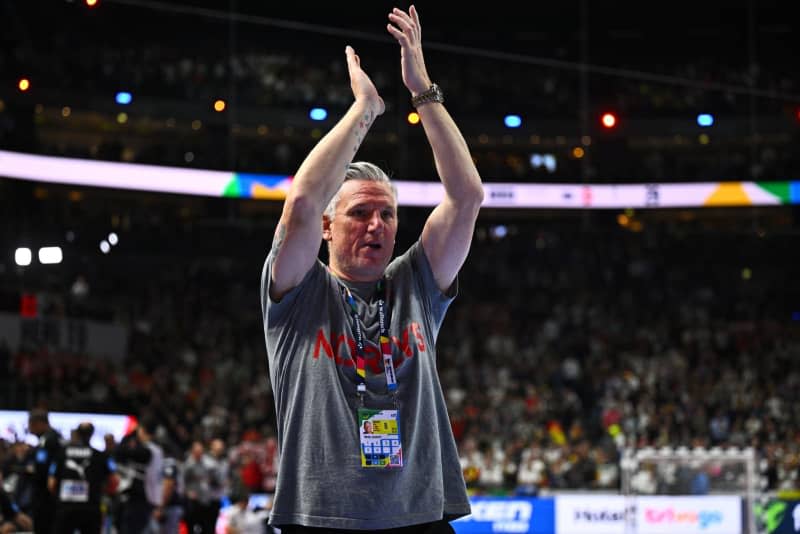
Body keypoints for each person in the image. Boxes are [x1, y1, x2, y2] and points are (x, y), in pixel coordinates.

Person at [260, 5, 483, 532]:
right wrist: (365, 110)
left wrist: (423, 89)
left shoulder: (416, 285)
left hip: (421, 517)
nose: (377, 224)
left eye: (387, 214)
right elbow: (300, 205)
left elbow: (467, 195)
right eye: (359, 213)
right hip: (320, 519)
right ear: (329, 228)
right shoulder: (297, 291)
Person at [48, 422, 116, 534]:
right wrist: (101, 492)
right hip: (91, 509)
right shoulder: (100, 456)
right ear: (92, 434)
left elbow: (51, 484)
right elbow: (114, 482)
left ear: (77, 434)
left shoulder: (61, 454)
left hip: (66, 509)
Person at [113, 415, 164, 534]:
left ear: (142, 430)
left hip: (141, 499)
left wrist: (131, 434)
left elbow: (120, 453)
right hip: (148, 499)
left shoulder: (148, 451)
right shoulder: (157, 450)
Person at [26, 408, 62, 533]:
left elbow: (40, 469)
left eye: (31, 424)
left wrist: (29, 471)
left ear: (40, 423)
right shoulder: (56, 436)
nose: (29, 428)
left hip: (45, 495)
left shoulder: (46, 440)